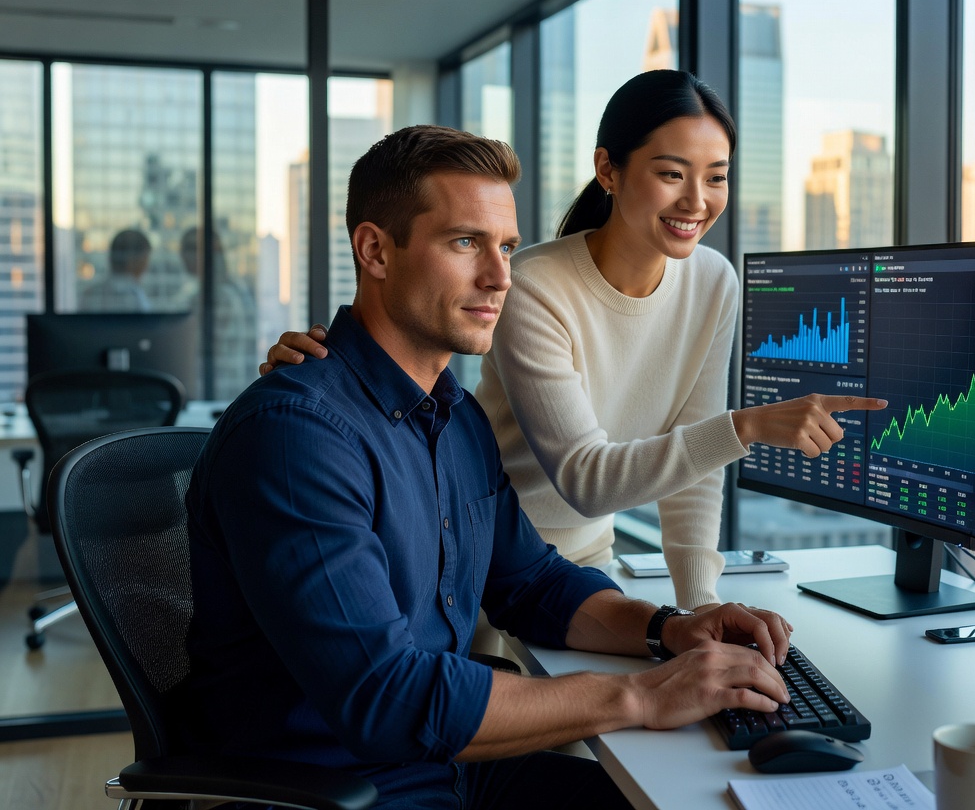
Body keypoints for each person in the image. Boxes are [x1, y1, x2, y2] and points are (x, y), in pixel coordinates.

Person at [178, 124, 796, 810]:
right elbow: (386, 700)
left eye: (506, 247)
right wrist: (642, 694)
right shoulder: (297, 437)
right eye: (466, 242)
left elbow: (532, 583)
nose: (502, 276)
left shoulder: (456, 418)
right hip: (338, 790)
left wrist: (668, 629)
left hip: (451, 769)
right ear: (375, 250)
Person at [264, 70, 885, 611]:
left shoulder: (713, 281)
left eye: (716, 177)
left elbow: (693, 467)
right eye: (671, 173)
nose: (697, 201)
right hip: (487, 569)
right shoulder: (532, 286)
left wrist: (699, 604)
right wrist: (744, 428)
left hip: (582, 577)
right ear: (608, 170)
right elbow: (587, 481)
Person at [180, 226, 259, 399]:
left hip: (216, 395)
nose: (184, 255)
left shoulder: (219, 296)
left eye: (191, 249)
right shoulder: (232, 289)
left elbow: (197, 350)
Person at [80, 227, 152, 311]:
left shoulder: (91, 294)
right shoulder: (134, 298)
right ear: (133, 260)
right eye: (146, 259)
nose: (147, 266)